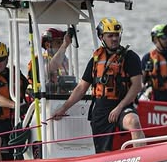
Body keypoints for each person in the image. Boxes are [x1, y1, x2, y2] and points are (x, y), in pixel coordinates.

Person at [48, 17, 146, 153]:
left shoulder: (130, 57)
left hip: (121, 105)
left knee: (134, 121)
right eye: (110, 35)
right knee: (102, 151)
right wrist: (63, 108)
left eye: (117, 35)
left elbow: (137, 86)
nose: (115, 39)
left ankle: (141, 158)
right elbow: (82, 88)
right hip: (100, 110)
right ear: (101, 37)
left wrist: (119, 108)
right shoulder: (95, 60)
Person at [27, 27, 72, 93]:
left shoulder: (64, 60)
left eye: (62, 42)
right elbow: (50, 68)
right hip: (42, 100)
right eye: (58, 42)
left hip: (61, 99)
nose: (61, 46)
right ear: (47, 45)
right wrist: (65, 45)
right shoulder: (38, 60)